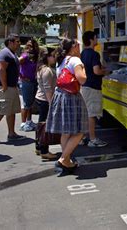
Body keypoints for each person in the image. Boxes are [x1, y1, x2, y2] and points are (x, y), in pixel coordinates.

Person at [46, 38, 88, 174]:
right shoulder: (76, 61)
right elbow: (82, 79)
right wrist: (84, 69)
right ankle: (64, 158)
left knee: (66, 131)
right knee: (79, 130)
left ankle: (67, 160)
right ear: (74, 46)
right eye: (78, 44)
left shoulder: (62, 61)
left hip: (60, 96)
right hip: (72, 97)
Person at [0, 34, 24, 143]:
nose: (19, 43)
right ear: (10, 42)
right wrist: (5, 85)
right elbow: (2, 70)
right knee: (1, 110)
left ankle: (11, 133)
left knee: (11, 111)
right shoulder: (5, 53)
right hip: (5, 87)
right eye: (17, 41)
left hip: (12, 86)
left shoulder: (12, 53)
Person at [81, 31, 109, 147]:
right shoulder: (94, 54)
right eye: (96, 37)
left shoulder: (83, 53)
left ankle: (82, 138)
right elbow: (96, 71)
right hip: (93, 87)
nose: (97, 39)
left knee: (85, 114)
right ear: (91, 40)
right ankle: (92, 139)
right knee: (92, 115)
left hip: (85, 86)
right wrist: (106, 71)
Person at [34, 48, 58, 160]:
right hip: (45, 100)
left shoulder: (41, 68)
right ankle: (44, 150)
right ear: (47, 57)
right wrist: (51, 103)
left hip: (41, 98)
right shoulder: (47, 71)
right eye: (53, 55)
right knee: (45, 126)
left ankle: (39, 147)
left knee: (41, 124)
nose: (55, 57)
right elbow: (48, 89)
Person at [19, 38, 39, 132]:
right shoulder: (25, 55)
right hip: (26, 82)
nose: (30, 48)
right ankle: (23, 123)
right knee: (26, 103)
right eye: (29, 45)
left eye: (33, 46)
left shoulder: (34, 57)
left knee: (30, 103)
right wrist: (21, 76)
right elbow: (16, 63)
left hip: (33, 81)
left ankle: (29, 121)